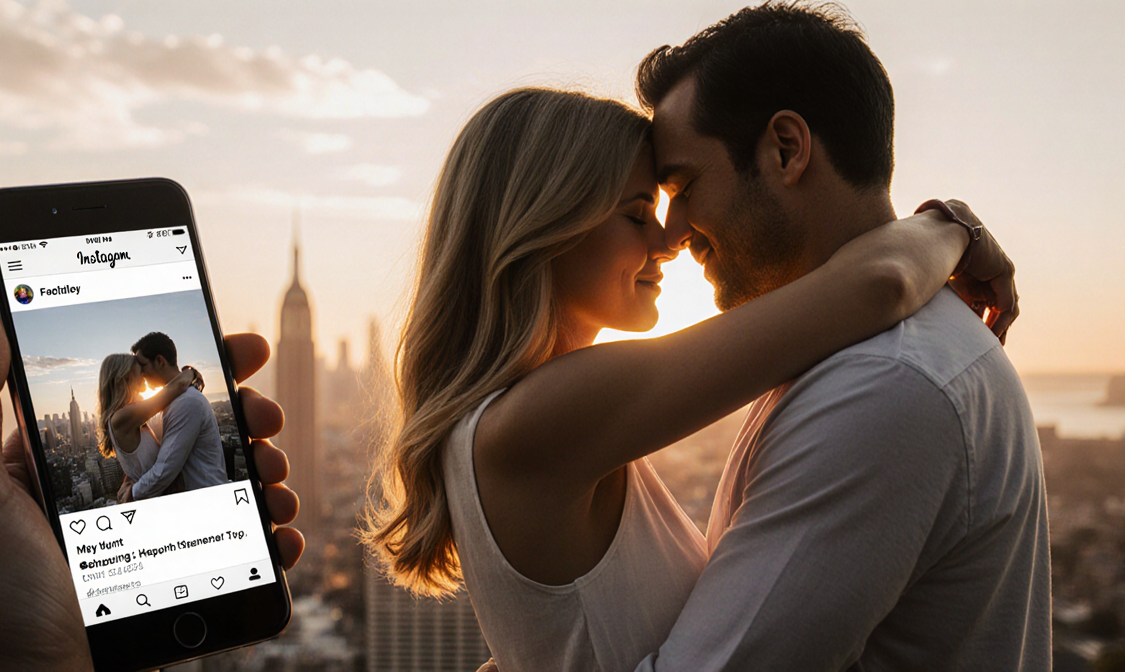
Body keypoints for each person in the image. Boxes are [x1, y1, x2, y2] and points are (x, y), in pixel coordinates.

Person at [360, 86, 1017, 670]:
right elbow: (880, 282)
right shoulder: (546, 418)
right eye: (637, 212)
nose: (668, 238)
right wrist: (949, 224)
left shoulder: (523, 424)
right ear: (545, 226)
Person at [628, 4, 1048, 670]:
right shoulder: (854, 355)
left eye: (684, 185)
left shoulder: (883, 384)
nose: (672, 232)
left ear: (787, 149)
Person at [0, 293, 303, 670]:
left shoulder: (135, 418)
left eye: (143, 366)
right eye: (136, 370)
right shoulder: (126, 416)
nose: (142, 375)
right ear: (124, 378)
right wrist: (187, 376)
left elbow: (151, 448)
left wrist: (130, 483)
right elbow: (165, 419)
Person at [119, 331, 229, 501]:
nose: (140, 373)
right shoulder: (170, 403)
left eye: (142, 365)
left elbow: (164, 469)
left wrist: (131, 495)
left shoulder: (187, 402)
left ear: (160, 361)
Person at [95, 353, 200, 498]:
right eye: (140, 370)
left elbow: (134, 459)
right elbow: (177, 386)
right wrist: (192, 371)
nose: (144, 375)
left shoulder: (124, 416)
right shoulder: (122, 417)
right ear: (125, 376)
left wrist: (128, 480)